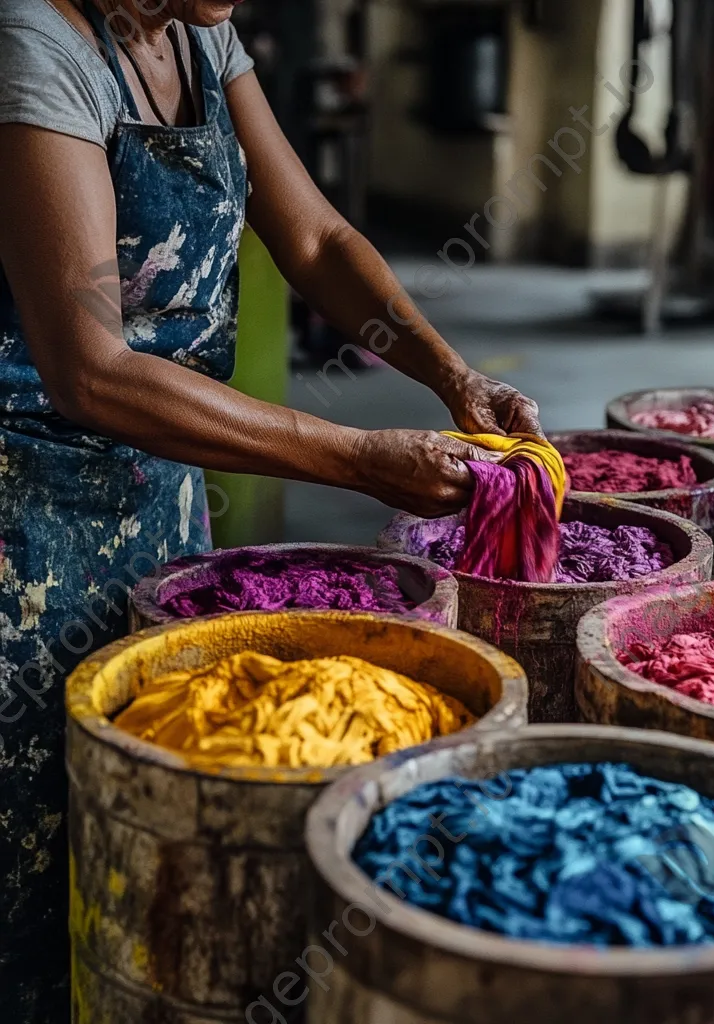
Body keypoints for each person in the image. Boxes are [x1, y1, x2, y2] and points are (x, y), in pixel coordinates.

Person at [0, 1, 542, 1018]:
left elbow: (315, 237)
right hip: (23, 538)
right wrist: (358, 458)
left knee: (136, 842)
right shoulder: (34, 45)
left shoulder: (199, 36)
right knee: (30, 859)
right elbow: (91, 371)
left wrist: (450, 373)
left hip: (158, 507)